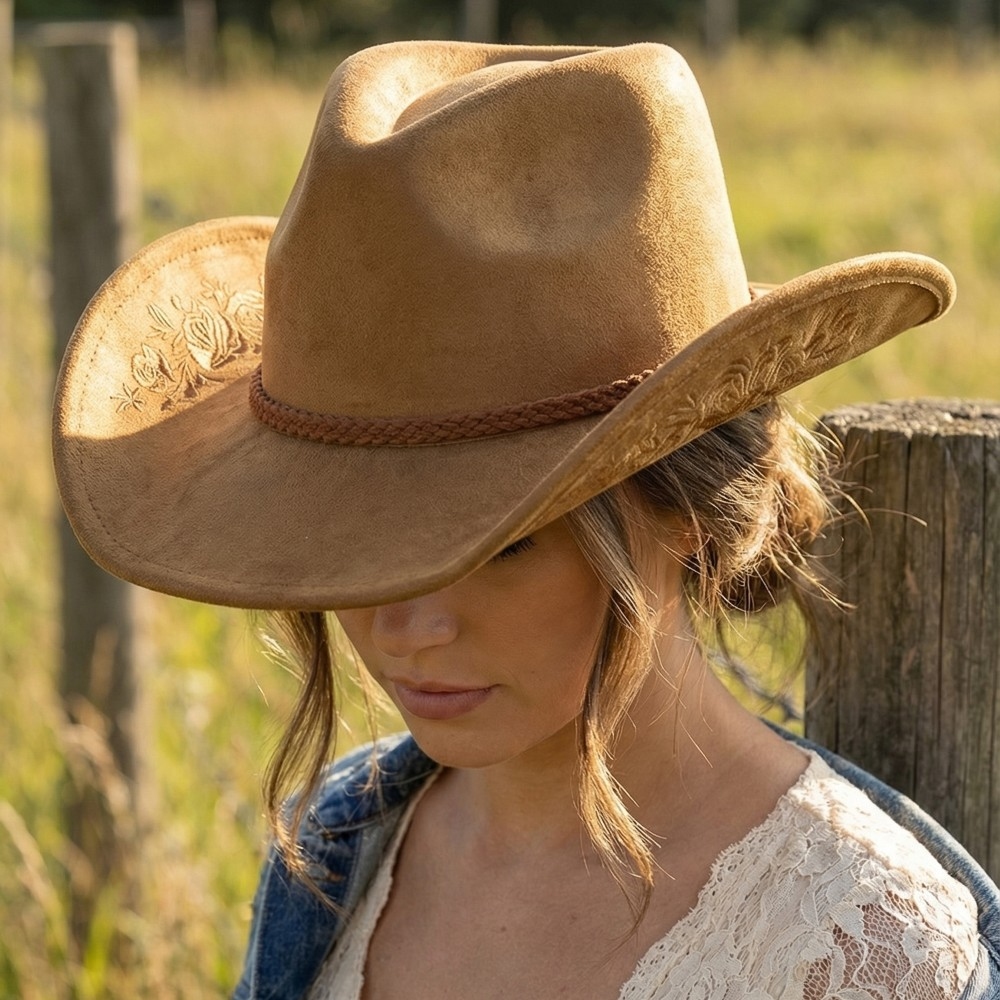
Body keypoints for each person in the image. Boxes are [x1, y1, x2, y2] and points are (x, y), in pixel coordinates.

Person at [51, 40, 999, 1000]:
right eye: (350, 546)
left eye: (505, 543)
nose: (407, 627)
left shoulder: (857, 950)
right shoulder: (337, 848)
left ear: (687, 508)